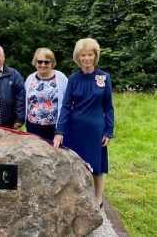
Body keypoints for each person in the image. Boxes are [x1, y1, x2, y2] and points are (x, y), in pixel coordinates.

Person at [53, 38, 114, 208]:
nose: (86, 58)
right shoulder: (73, 79)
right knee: (75, 163)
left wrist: (109, 131)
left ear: (95, 56)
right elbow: (65, 106)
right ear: (78, 58)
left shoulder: (104, 77)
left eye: (89, 55)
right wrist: (60, 131)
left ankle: (98, 199)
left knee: (98, 165)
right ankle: (74, 196)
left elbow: (108, 107)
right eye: (83, 55)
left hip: (96, 130)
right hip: (75, 129)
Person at [24, 48, 68, 142]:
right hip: (32, 127)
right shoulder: (30, 79)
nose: (43, 65)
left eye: (46, 62)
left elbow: (67, 103)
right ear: (35, 62)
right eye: (40, 62)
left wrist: (61, 129)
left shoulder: (61, 78)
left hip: (54, 128)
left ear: (52, 63)